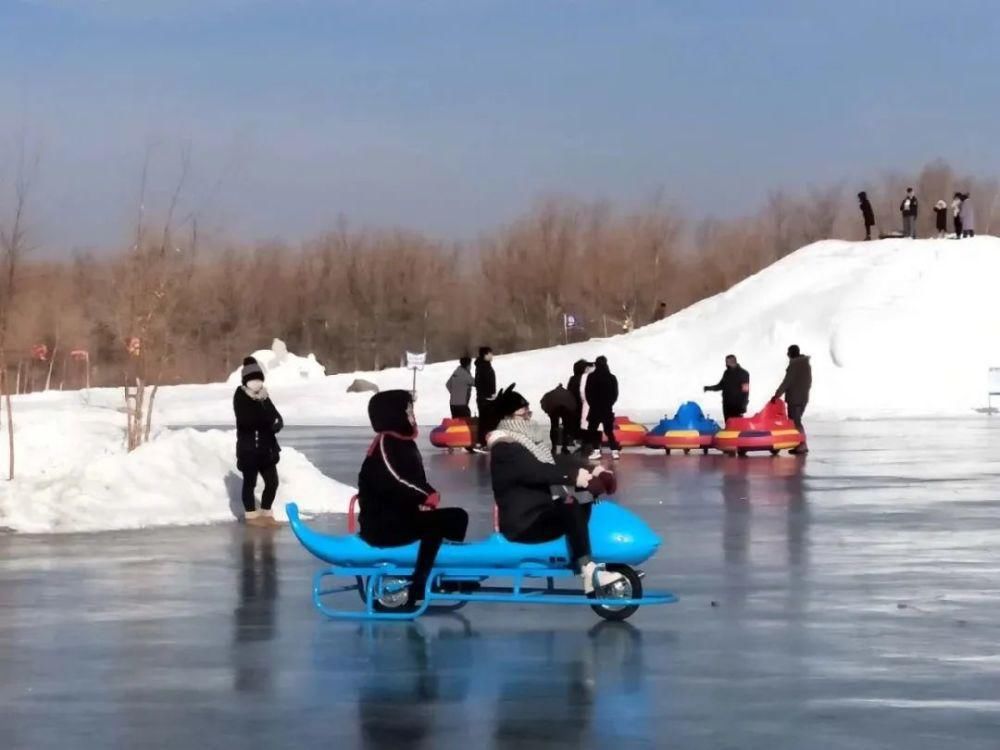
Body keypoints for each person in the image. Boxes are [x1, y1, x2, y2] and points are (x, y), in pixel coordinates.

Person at [486, 385, 625, 595]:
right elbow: (536, 471)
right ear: (509, 417)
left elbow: (554, 461)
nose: (528, 418)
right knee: (569, 505)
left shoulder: (527, 442)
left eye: (528, 412)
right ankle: (588, 571)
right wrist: (576, 478)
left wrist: (593, 469)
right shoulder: (506, 448)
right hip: (523, 522)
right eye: (524, 413)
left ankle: (586, 555)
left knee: (581, 502)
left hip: (538, 512)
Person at [358, 390, 469, 609]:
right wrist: (425, 494)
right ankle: (419, 584)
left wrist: (425, 495)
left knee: (457, 517)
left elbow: (413, 480)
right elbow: (394, 479)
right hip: (382, 524)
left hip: (402, 516)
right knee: (436, 526)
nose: (412, 415)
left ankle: (444, 571)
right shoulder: (385, 442)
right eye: (408, 410)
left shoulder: (404, 443)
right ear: (394, 414)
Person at [234, 356, 284, 528]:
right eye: (253, 380)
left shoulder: (264, 396)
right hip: (249, 449)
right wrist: (268, 422)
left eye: (259, 379)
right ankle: (251, 516)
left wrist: (277, 422)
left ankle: (266, 512)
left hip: (266, 450)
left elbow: (275, 415)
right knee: (250, 482)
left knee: (272, 482)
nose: (256, 383)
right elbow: (247, 420)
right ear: (246, 381)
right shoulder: (240, 395)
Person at [772, 345, 812, 455]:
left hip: (795, 399)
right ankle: (800, 444)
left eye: (788, 352)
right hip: (803, 398)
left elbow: (787, 382)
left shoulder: (795, 365)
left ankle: (802, 445)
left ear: (791, 353)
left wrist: (776, 396)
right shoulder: (805, 364)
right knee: (797, 421)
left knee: (796, 422)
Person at [584, 355, 621, 460]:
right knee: (609, 430)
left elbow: (588, 393)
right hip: (607, 408)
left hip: (595, 408)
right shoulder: (611, 377)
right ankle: (614, 451)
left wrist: (592, 404)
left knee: (593, 430)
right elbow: (615, 394)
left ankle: (596, 451)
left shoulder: (591, 377)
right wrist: (609, 403)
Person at [703, 354, 750, 421]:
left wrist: (744, 405)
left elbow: (745, 390)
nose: (726, 363)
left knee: (736, 426)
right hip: (727, 405)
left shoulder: (744, 373)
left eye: (727, 362)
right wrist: (708, 388)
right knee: (728, 426)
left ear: (733, 361)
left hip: (737, 406)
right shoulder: (726, 373)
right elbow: (720, 385)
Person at [540, 383, 577, 455]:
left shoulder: (551, 393)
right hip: (565, 409)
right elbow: (573, 403)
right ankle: (564, 448)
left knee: (554, 427)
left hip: (554, 409)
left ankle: (554, 447)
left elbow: (543, 401)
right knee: (566, 428)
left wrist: (547, 411)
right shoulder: (567, 393)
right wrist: (572, 414)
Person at [566, 359, 593, 452]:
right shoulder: (584, 379)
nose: (590, 369)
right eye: (587, 368)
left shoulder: (573, 379)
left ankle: (576, 442)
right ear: (583, 369)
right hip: (581, 410)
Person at [474, 346, 497, 449]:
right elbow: (484, 382)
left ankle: (482, 441)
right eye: (490, 353)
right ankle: (484, 442)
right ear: (485, 355)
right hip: (485, 398)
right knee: (487, 421)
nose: (492, 355)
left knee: (485, 420)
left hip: (485, 397)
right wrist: (490, 394)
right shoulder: (484, 367)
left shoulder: (483, 365)